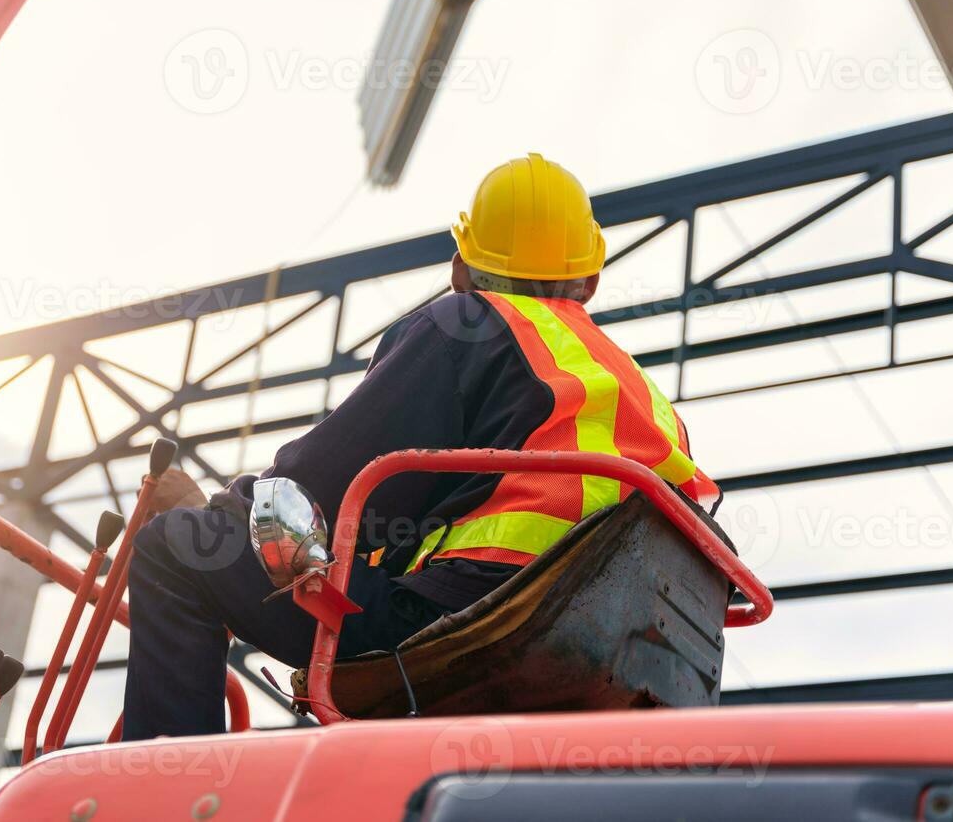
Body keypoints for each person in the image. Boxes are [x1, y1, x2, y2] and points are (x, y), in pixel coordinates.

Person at [121, 154, 718, 741]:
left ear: (461, 269)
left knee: (177, 552)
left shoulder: (469, 323)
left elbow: (315, 487)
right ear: (589, 279)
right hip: (639, 653)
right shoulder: (645, 395)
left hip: (480, 624)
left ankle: (164, 792)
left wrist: (208, 515)